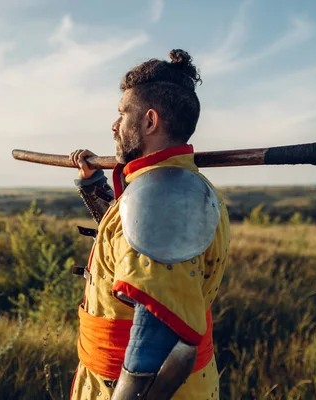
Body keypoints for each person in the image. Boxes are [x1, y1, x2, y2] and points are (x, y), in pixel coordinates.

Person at [69, 49, 230, 400]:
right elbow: (128, 244)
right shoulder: (168, 190)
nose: (114, 126)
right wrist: (94, 185)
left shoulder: (163, 200)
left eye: (122, 114)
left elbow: (156, 335)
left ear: (149, 122)